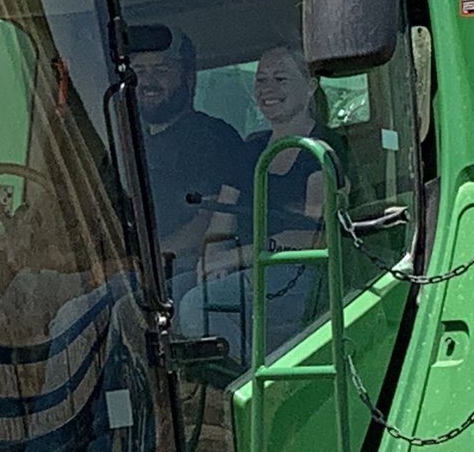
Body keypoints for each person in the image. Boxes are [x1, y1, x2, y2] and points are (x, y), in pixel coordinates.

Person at [178, 45, 341, 361]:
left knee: (197, 306)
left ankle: (255, 391)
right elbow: (222, 222)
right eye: (261, 80)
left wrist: (235, 258)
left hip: (301, 273)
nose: (268, 89)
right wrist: (211, 262)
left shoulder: (325, 149)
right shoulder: (250, 150)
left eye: (280, 79)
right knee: (165, 297)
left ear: (310, 86)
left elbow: (313, 235)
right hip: (250, 268)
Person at [130, 27, 250, 299]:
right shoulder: (125, 142)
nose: (148, 82)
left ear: (189, 79)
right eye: (139, 71)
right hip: (126, 266)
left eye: (161, 71)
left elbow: (206, 223)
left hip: (179, 268)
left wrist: (147, 258)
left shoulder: (212, 139)